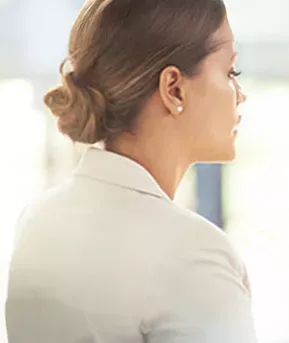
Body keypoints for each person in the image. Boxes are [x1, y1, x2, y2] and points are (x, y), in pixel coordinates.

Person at [5, 1, 257, 342]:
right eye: (231, 72)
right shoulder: (193, 254)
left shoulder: (37, 219)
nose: (240, 96)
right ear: (174, 89)